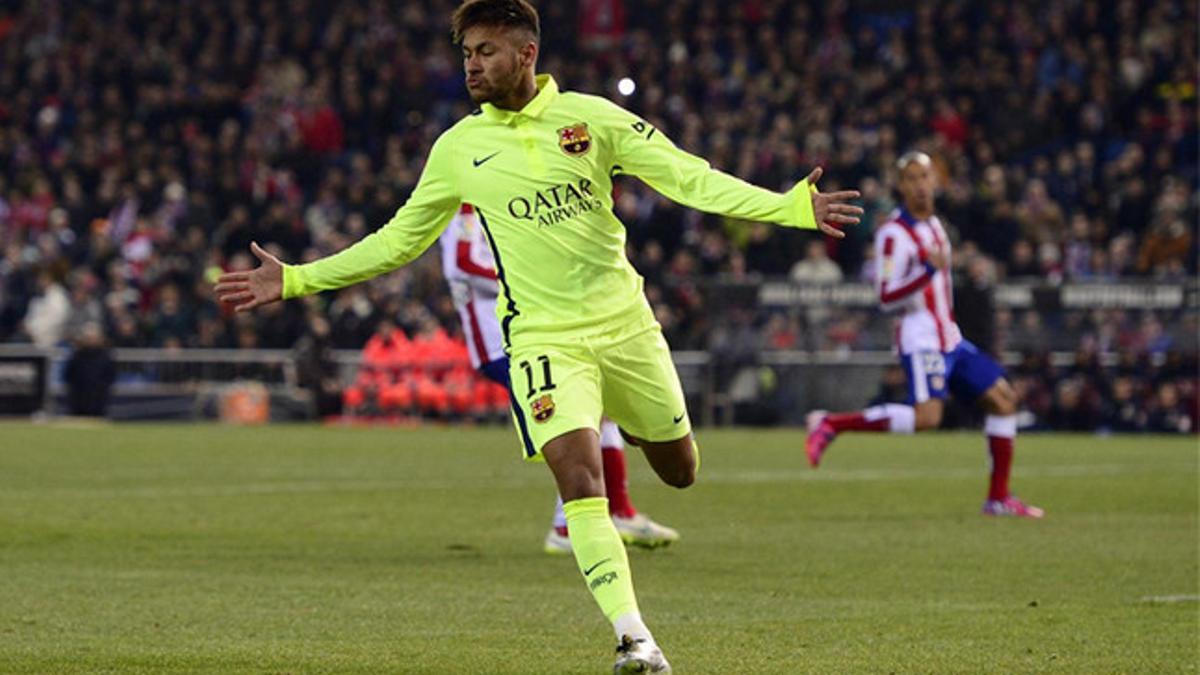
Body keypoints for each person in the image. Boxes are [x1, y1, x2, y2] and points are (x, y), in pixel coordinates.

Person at [215, 1, 861, 670]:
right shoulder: (458, 149)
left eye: (486, 51)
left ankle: (637, 422)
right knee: (581, 481)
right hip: (543, 340)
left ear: (527, 54)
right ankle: (635, 637)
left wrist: (787, 207)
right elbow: (398, 240)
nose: (472, 64)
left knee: (680, 470)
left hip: (626, 325)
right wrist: (296, 280)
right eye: (466, 52)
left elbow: (687, 176)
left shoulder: (594, 118)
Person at [805, 152, 1043, 519]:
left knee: (1004, 400)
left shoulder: (935, 225)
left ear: (936, 181)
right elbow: (886, 296)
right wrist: (927, 273)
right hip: (921, 340)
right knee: (928, 418)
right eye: (912, 178)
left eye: (925, 176)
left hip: (950, 337)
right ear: (902, 186)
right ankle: (832, 423)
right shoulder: (892, 234)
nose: (920, 184)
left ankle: (998, 499)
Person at [439, 203, 679, 554]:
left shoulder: (496, 202)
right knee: (579, 415)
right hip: (499, 342)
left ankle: (612, 513)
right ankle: (573, 524)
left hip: (532, 333)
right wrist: (529, 277)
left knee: (595, 410)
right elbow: (463, 263)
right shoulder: (466, 211)